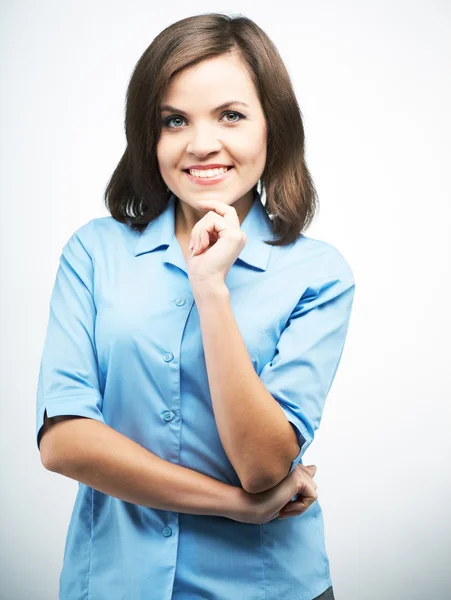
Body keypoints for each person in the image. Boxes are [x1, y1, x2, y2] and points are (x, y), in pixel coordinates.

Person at [36, 12, 355, 600]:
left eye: (231, 115)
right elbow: (63, 441)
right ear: (149, 136)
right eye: (174, 120)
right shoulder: (94, 252)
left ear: (272, 128)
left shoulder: (318, 273)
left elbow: (263, 463)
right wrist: (237, 505)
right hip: (112, 582)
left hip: (265, 586)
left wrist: (210, 288)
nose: (202, 143)